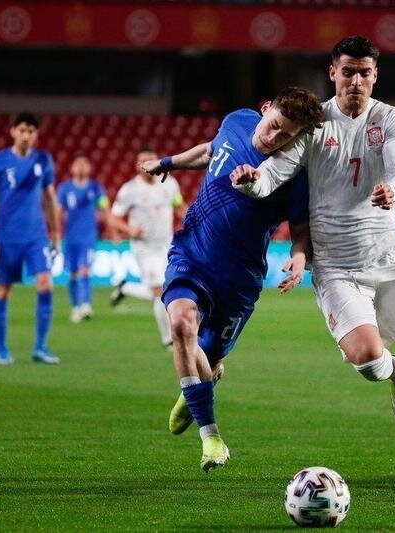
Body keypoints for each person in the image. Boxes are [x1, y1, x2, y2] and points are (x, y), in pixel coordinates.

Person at [231, 36, 395, 490]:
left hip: (389, 253)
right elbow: (275, 172)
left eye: (365, 73)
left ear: (375, 75)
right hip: (337, 266)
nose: (357, 81)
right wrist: (251, 181)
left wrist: (394, 191)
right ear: (333, 73)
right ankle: (392, 374)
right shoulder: (314, 122)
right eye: (348, 72)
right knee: (366, 359)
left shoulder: (389, 118)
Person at [140, 86, 323, 473]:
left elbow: (301, 229)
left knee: (209, 358)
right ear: (265, 108)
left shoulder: (292, 175)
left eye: (286, 136)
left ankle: (196, 385)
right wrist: (169, 162)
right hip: (191, 253)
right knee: (180, 325)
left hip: (238, 281)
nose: (274, 139)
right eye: (274, 126)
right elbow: (209, 150)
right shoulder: (237, 120)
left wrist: (298, 257)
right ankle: (211, 437)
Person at [0, 111, 61, 365]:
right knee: (3, 290)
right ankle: (1, 348)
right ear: (13, 131)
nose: (26, 135)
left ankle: (40, 347)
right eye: (22, 130)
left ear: (36, 135)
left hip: (36, 236)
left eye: (31, 131)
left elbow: (50, 198)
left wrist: (56, 235)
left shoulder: (44, 160)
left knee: (46, 284)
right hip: (6, 237)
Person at [110, 147, 187, 349]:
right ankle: (168, 339)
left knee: (168, 288)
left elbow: (179, 206)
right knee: (161, 290)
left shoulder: (169, 184)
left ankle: (124, 287)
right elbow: (114, 217)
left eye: (151, 159)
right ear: (138, 166)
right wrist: (128, 228)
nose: (147, 164)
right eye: (143, 161)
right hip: (144, 248)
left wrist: (191, 221)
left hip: (167, 244)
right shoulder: (129, 190)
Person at [57, 155, 110, 323]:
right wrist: (55, 234)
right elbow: (57, 212)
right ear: (72, 168)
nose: (80, 167)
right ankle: (75, 307)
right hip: (70, 238)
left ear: (89, 168)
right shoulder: (65, 189)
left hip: (88, 237)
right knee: (72, 274)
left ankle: (86, 305)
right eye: (77, 164)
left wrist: (110, 229)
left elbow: (104, 207)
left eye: (84, 164)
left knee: (85, 270)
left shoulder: (96, 188)